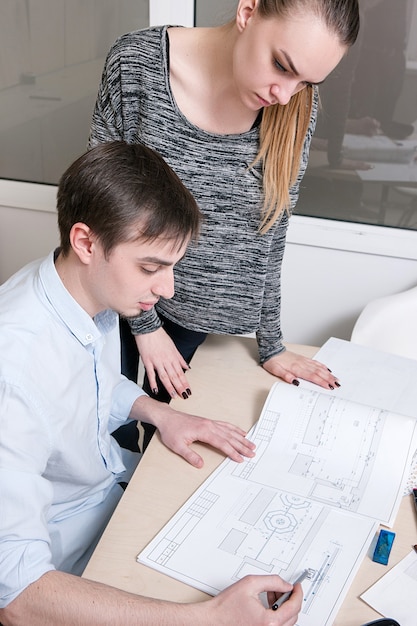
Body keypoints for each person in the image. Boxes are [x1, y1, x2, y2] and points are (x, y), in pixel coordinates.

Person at [0, 141, 302, 625]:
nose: (168, 290)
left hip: (113, 498)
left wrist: (162, 414)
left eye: (172, 266)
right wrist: (209, 620)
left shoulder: (77, 292)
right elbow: (18, 599)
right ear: (86, 242)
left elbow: (89, 385)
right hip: (67, 565)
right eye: (151, 267)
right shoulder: (13, 371)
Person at [89, 0, 360, 450]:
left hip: (197, 319)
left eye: (306, 81)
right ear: (248, 11)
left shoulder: (295, 107)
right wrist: (145, 327)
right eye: (281, 65)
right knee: (108, 442)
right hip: (116, 303)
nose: (284, 94)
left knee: (164, 456)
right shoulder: (137, 65)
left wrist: (271, 344)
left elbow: (272, 231)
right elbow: (100, 203)